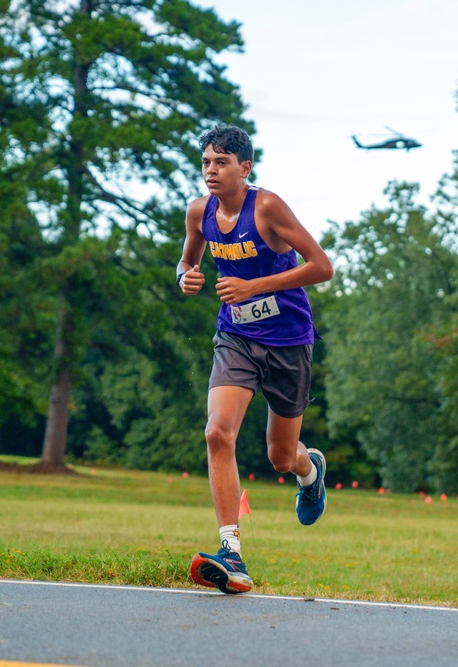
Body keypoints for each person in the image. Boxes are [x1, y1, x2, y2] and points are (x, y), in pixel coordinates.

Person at [177, 125, 334, 594]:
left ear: (245, 168)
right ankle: (231, 551)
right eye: (206, 162)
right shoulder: (199, 213)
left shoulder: (266, 207)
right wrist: (185, 277)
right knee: (217, 432)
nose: (211, 171)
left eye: (221, 162)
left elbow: (322, 267)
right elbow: (186, 262)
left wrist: (252, 287)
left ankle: (311, 473)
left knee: (281, 456)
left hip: (288, 339)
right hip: (236, 337)